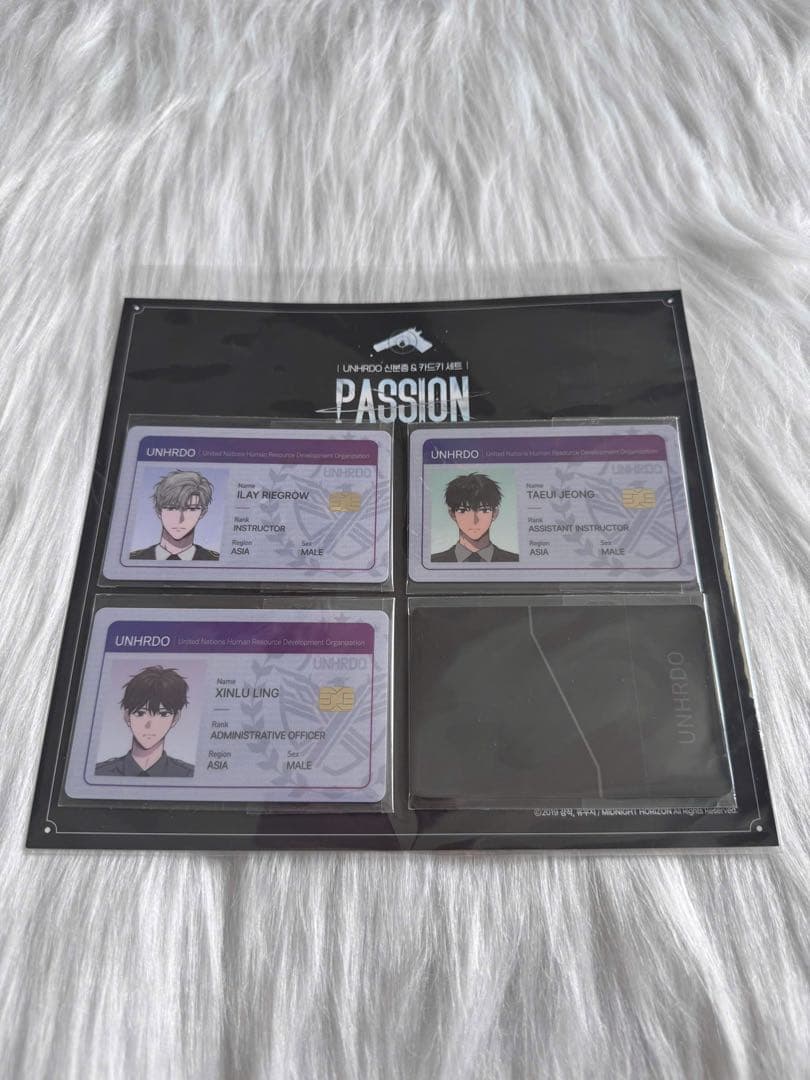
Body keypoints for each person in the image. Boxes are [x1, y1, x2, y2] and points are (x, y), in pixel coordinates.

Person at [95, 666, 195, 777]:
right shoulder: (99, 773)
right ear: (127, 716)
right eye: (140, 713)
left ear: (175, 718)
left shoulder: (188, 775)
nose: (150, 725)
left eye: (163, 714)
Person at [129, 470, 219, 560]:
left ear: (202, 513)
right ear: (158, 511)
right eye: (171, 508)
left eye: (191, 509)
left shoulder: (214, 560)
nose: (180, 519)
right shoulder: (134, 558)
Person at [431, 472, 519, 562]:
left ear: (495, 514)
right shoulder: (434, 561)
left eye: (484, 510)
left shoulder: (514, 561)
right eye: (463, 510)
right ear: (452, 514)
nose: (474, 520)